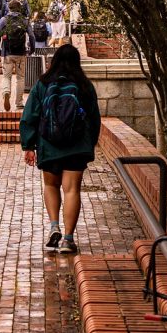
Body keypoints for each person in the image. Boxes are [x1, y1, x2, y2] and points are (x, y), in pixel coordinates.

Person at [19, 44, 101, 254]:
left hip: (49, 144)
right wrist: (90, 142)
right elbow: (93, 117)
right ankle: (68, 239)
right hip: (76, 146)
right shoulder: (84, 85)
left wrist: (28, 145)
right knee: (72, 190)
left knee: (51, 185)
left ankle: (54, 225)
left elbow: (30, 115)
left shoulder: (43, 84)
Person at [0, 0, 35, 111]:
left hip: (7, 52)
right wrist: (32, 49)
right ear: (20, 8)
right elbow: (32, 36)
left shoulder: (4, 20)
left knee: (6, 76)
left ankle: (6, 92)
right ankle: (19, 102)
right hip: (21, 53)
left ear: (9, 8)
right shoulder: (24, 20)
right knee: (20, 78)